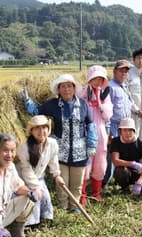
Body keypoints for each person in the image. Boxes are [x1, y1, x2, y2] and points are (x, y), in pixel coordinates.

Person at [21, 74, 98, 213]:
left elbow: (90, 124)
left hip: (79, 150)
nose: (66, 89)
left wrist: (92, 144)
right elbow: (36, 112)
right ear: (58, 90)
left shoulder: (83, 104)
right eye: (63, 86)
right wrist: (27, 100)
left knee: (77, 183)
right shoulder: (53, 104)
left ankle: (75, 207)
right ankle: (63, 206)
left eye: (69, 86)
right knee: (62, 182)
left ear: (74, 88)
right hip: (60, 150)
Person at [17, 115, 65, 227]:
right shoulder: (24, 148)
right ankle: (29, 225)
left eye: (44, 127)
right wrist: (36, 187)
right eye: (37, 128)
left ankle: (44, 221)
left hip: (39, 177)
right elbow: (26, 170)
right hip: (24, 180)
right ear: (32, 131)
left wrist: (57, 175)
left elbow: (53, 160)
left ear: (48, 129)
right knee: (34, 198)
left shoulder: (52, 143)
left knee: (45, 198)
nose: (41, 131)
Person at [77, 65, 113, 204]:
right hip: (84, 131)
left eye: (100, 79)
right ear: (90, 79)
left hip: (100, 131)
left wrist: (100, 103)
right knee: (85, 163)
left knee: (100, 162)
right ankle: (83, 194)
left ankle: (96, 192)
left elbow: (108, 115)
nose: (97, 82)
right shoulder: (81, 94)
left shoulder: (105, 95)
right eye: (95, 79)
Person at [102, 59, 133, 188]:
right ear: (115, 71)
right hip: (114, 125)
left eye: (126, 71)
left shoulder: (125, 87)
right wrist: (108, 131)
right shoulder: (109, 87)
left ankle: (118, 180)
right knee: (111, 156)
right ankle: (104, 182)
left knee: (122, 154)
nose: (124, 73)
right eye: (121, 71)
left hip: (125, 127)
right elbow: (105, 110)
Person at [110, 118, 142, 196]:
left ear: (134, 131)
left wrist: (139, 181)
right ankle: (124, 188)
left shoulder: (141, 144)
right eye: (125, 130)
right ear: (120, 131)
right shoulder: (116, 142)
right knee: (120, 171)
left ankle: (141, 190)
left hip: (138, 172)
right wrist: (132, 164)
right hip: (125, 172)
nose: (127, 133)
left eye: (130, 130)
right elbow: (115, 161)